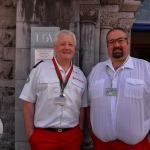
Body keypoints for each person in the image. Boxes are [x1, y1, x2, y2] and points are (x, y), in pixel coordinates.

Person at [19, 30, 87, 150]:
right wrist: (31, 135)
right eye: (62, 44)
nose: (67, 48)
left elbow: (83, 107)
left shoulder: (80, 74)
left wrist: (80, 131)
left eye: (70, 44)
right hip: (43, 137)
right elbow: (28, 102)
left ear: (74, 48)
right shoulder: (39, 70)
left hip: (72, 137)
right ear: (55, 47)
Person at [87, 28, 150, 150]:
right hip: (102, 145)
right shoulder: (96, 71)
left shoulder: (146, 69)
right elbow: (89, 104)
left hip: (136, 146)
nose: (116, 45)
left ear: (128, 41)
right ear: (107, 46)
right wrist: (93, 132)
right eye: (111, 41)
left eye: (120, 40)